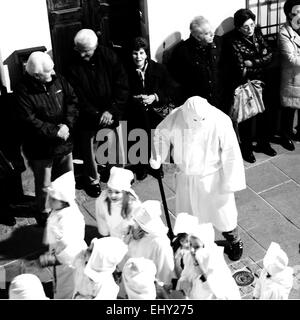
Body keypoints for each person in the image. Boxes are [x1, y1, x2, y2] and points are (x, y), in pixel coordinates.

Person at [150, 96, 246, 261]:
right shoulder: (176, 116)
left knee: (223, 215)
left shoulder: (220, 120)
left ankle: (235, 241)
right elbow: (161, 135)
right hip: (186, 178)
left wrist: (232, 180)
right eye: (194, 119)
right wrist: (158, 155)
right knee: (188, 216)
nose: (199, 122)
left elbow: (231, 153)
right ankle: (189, 244)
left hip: (212, 178)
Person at [15, 51, 78, 227]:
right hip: (41, 147)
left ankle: (65, 205)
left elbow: (72, 101)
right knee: (44, 184)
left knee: (66, 177)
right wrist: (55, 131)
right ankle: (43, 212)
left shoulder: (58, 79)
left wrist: (67, 124)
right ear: (36, 75)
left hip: (64, 142)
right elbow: (29, 120)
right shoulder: (22, 91)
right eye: (48, 72)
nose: (53, 74)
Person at [68, 29, 129, 197]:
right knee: (89, 151)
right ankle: (92, 180)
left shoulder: (109, 56)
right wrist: (96, 114)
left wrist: (112, 110)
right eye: (78, 50)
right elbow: (76, 94)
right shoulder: (72, 64)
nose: (81, 55)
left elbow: (122, 84)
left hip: (111, 112)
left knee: (115, 146)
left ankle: (117, 175)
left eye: (85, 51)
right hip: (88, 116)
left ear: (94, 47)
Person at [223, 8, 277, 163]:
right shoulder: (232, 40)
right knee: (247, 117)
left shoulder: (257, 33)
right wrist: (260, 60)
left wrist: (252, 62)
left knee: (264, 115)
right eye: (246, 27)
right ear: (238, 27)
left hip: (263, 81)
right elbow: (240, 67)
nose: (250, 29)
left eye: (252, 24)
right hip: (246, 85)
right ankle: (246, 149)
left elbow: (269, 54)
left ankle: (263, 144)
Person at [125, 37, 176, 180]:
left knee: (155, 140)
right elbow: (122, 91)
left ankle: (156, 166)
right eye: (135, 53)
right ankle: (140, 167)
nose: (138, 57)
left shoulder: (158, 69)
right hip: (136, 113)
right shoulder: (125, 71)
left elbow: (170, 88)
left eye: (141, 53)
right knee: (138, 139)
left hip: (155, 114)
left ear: (146, 54)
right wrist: (135, 98)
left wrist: (155, 97)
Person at [39, 170, 87, 299]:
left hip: (68, 263)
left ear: (63, 201)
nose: (49, 200)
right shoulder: (63, 210)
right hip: (66, 259)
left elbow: (67, 244)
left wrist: (54, 258)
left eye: (53, 199)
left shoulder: (68, 219)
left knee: (66, 288)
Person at [168, 16, 225, 111]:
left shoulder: (218, 43)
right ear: (198, 37)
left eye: (211, 30)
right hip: (196, 104)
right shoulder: (182, 51)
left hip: (219, 99)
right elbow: (177, 79)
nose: (212, 34)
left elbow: (225, 68)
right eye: (207, 33)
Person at [176, 222, 241, 300]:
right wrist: (183, 280)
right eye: (190, 246)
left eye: (195, 247)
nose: (193, 252)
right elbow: (187, 271)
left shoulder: (220, 284)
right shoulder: (191, 257)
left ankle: (230, 246)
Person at [122, 200, 174, 286]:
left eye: (138, 223)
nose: (135, 224)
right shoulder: (139, 231)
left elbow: (165, 271)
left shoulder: (160, 243)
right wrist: (132, 236)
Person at [95, 166, 141, 241]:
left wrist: (135, 232)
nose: (112, 195)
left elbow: (139, 220)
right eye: (110, 191)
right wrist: (104, 233)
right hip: (113, 233)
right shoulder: (103, 199)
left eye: (117, 192)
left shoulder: (133, 203)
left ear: (125, 191)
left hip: (129, 236)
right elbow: (100, 216)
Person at [278, 0, 300, 151]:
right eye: (296, 11)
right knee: (289, 108)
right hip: (293, 77)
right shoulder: (284, 32)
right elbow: (292, 59)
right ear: (288, 13)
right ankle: (285, 136)